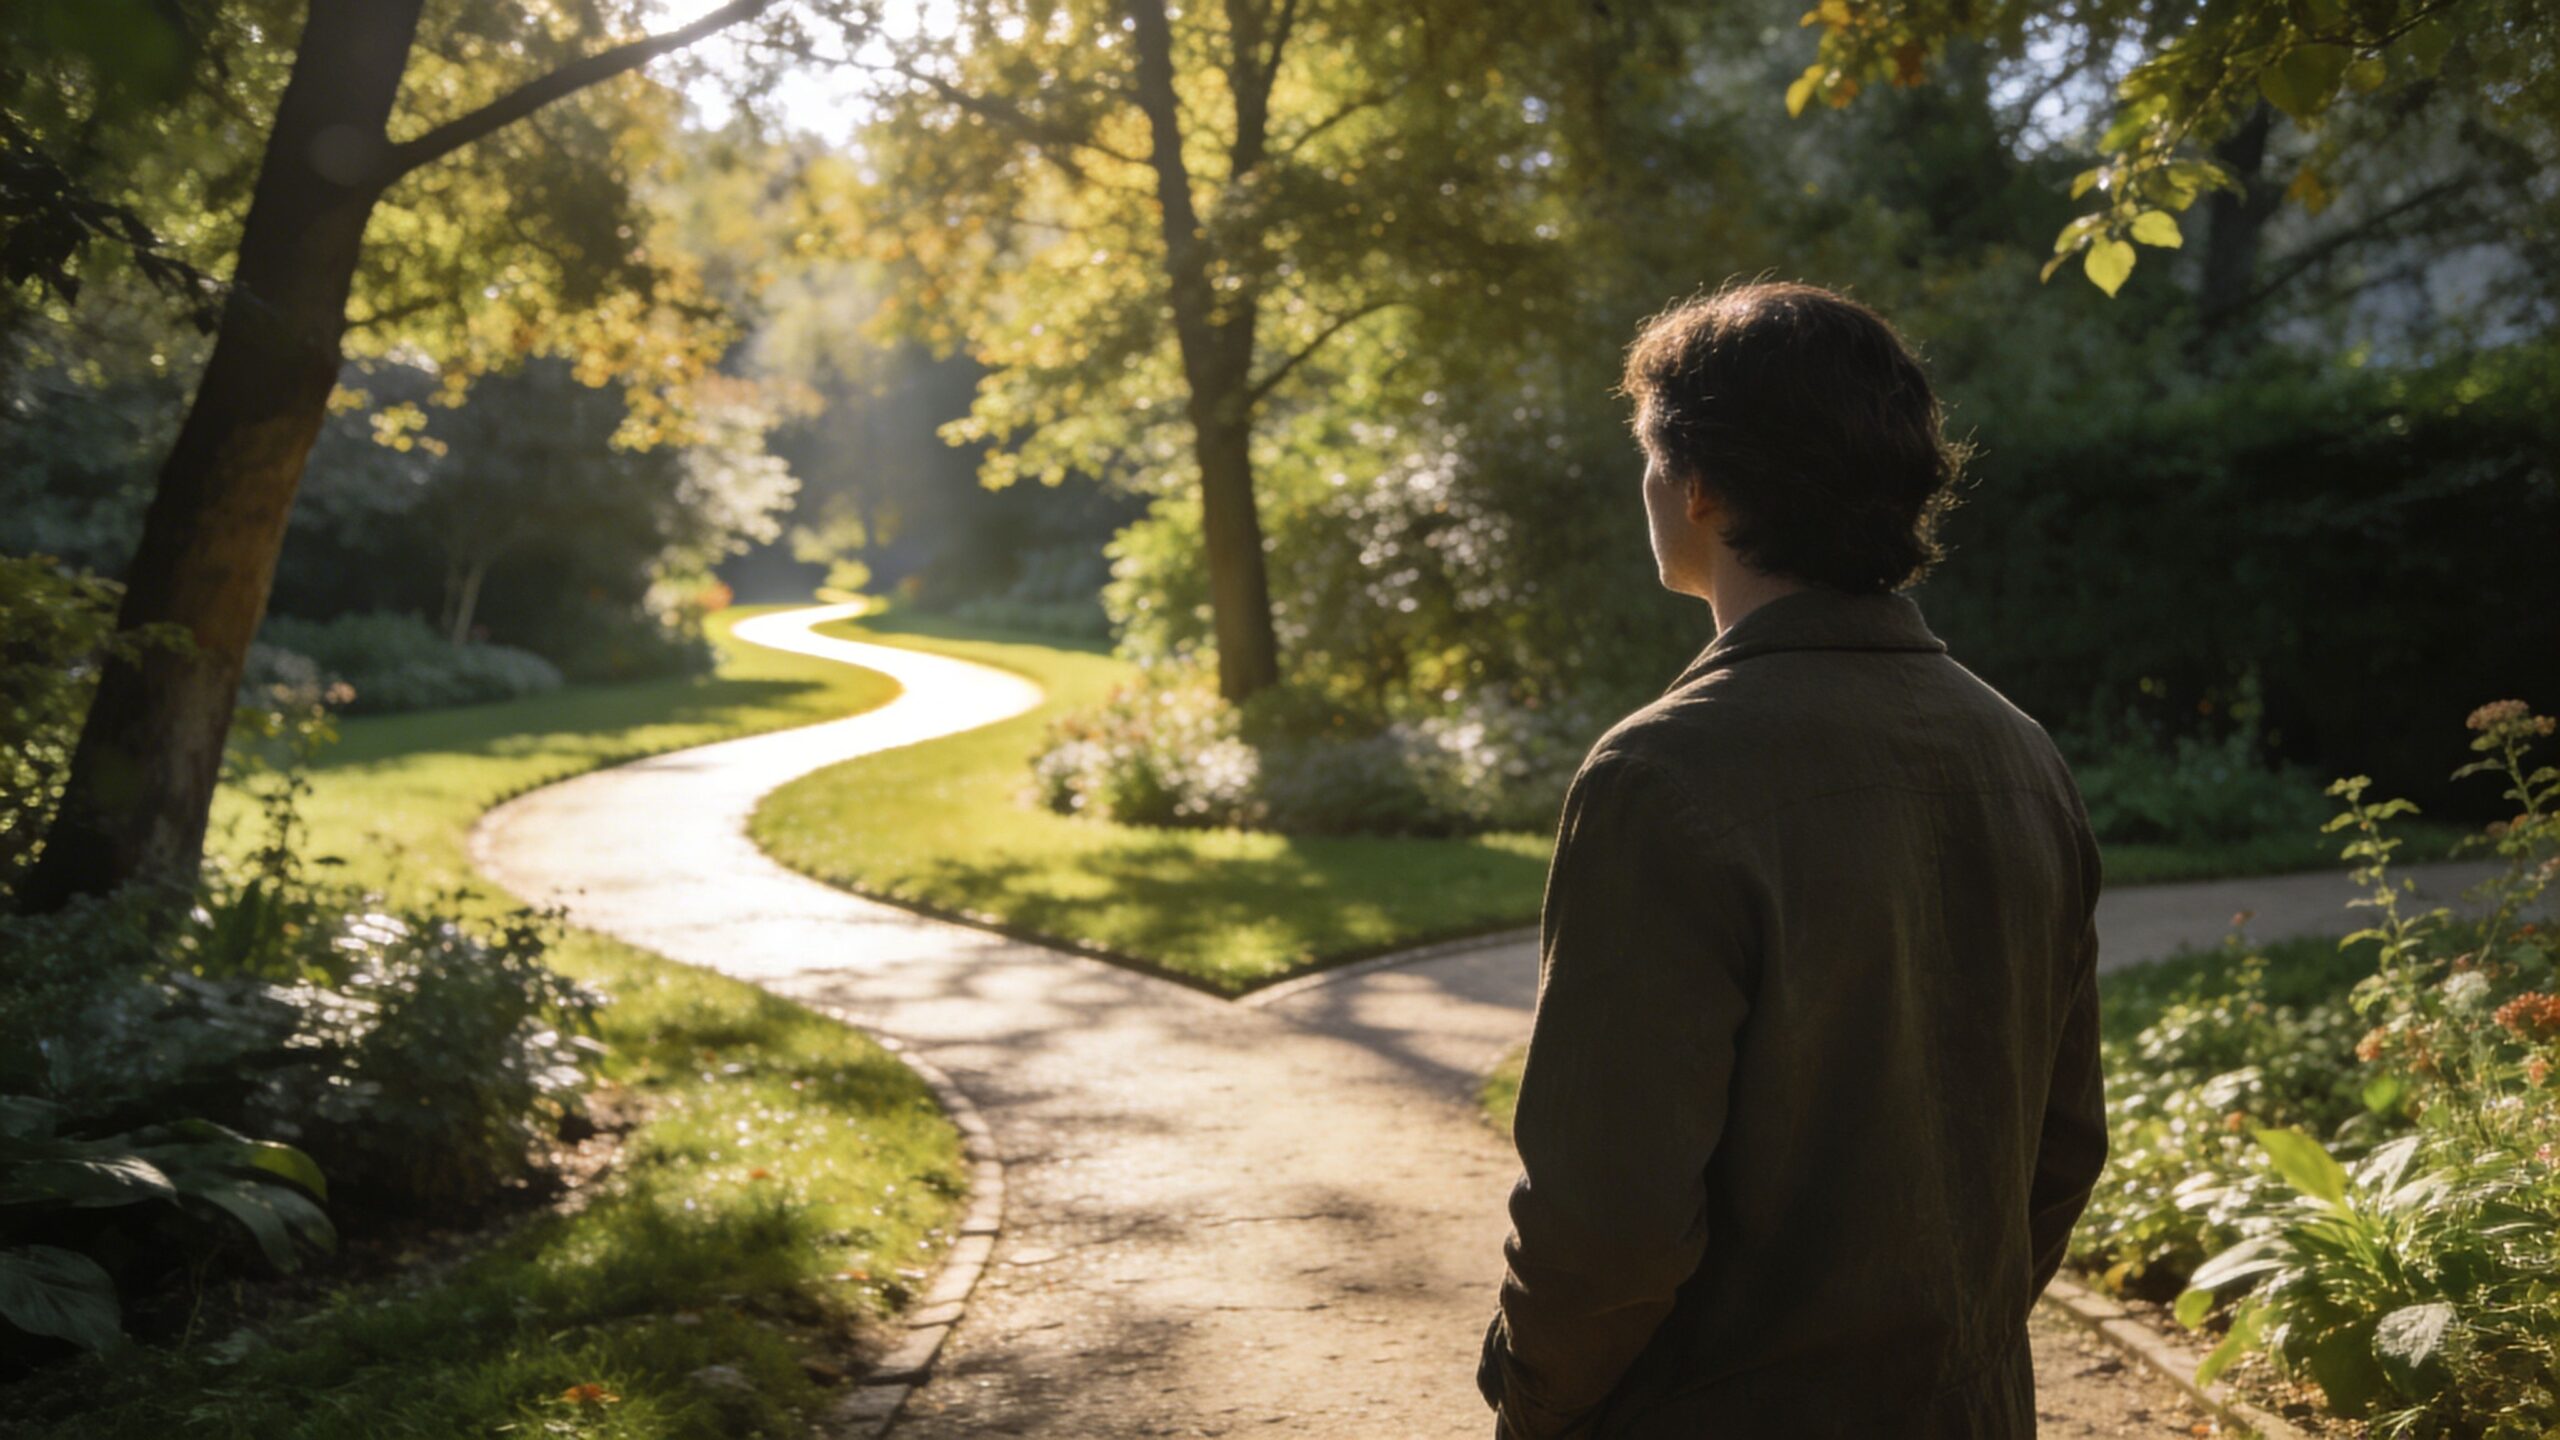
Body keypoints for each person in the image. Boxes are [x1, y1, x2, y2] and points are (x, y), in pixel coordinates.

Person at [1475, 280, 2109, 1438]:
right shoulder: (2021, 756)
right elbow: (2061, 1150)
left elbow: (1607, 1218)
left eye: (1649, 454)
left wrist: (1534, 1400)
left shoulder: (1661, 774)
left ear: (1699, 482)